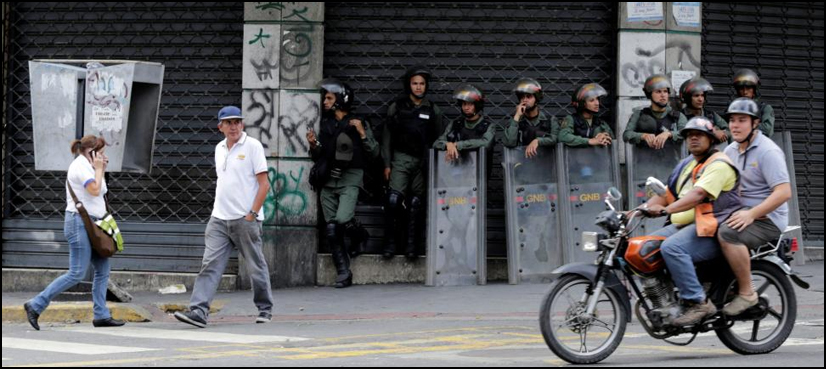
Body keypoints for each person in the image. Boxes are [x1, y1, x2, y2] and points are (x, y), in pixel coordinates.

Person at [174, 106, 274, 328]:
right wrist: (216, 213)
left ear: (242, 124)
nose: (234, 126)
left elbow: (264, 184)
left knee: (255, 265)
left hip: (245, 218)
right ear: (220, 127)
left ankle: (265, 308)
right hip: (219, 218)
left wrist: (252, 214)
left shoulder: (252, 146)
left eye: (237, 121)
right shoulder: (219, 148)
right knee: (209, 265)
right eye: (228, 123)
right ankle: (199, 311)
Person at [642, 116, 741, 326]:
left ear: (711, 139)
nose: (693, 139)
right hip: (686, 225)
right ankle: (667, 299)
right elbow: (666, 193)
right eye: (689, 135)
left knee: (672, 248)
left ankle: (698, 303)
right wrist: (640, 209)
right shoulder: (686, 164)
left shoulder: (719, 164)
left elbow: (697, 195)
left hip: (713, 228)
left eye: (699, 135)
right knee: (645, 248)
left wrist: (666, 210)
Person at [24, 135, 125, 330]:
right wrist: (98, 168)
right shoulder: (79, 166)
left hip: (95, 224)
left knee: (103, 270)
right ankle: (36, 305)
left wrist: (100, 168)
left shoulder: (91, 166)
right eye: (101, 152)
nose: (104, 156)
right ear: (91, 152)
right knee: (77, 272)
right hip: (78, 223)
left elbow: (99, 191)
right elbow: (94, 190)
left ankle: (101, 315)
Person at [717, 97, 792, 316]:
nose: (735, 125)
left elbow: (784, 192)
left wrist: (752, 214)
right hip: (741, 212)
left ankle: (748, 292)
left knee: (727, 234)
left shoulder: (768, 152)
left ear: (755, 123)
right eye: (732, 120)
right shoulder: (731, 150)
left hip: (768, 219)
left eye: (742, 120)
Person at [307, 78, 379, 288]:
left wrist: (363, 134)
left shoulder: (358, 122)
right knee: (331, 228)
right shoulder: (326, 124)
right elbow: (320, 156)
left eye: (329, 98)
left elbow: (374, 153)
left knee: (343, 220)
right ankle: (343, 272)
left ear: (341, 99)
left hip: (350, 178)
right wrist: (313, 145)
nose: (325, 102)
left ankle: (360, 235)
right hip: (329, 180)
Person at [381, 66, 443, 260]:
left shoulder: (432, 109)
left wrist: (435, 166)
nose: (418, 87)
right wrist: (387, 164)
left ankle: (412, 247)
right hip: (400, 159)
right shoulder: (397, 107)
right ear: (409, 85)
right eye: (415, 83)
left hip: (423, 161)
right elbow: (386, 138)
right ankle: (390, 245)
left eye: (422, 84)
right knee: (393, 200)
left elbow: (440, 139)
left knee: (417, 203)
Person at [433, 84, 495, 162]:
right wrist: (447, 145)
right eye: (464, 104)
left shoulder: (488, 126)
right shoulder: (454, 124)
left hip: (479, 172)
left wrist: (458, 145)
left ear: (477, 105)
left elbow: (486, 143)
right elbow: (437, 143)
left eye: (470, 104)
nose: (466, 108)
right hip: (454, 171)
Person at [623, 74, 687, 149]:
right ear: (650, 94)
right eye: (658, 92)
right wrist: (643, 136)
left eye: (665, 91)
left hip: (671, 159)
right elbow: (627, 135)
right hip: (644, 158)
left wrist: (669, 134)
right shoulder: (639, 114)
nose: (663, 95)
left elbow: (686, 133)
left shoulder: (678, 116)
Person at [502, 78, 557, 157]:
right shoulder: (515, 121)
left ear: (536, 99)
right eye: (522, 97)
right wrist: (517, 116)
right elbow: (509, 142)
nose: (525, 100)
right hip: (522, 164)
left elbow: (555, 138)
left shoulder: (550, 121)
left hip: (545, 165)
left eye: (529, 97)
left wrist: (538, 141)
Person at [558, 83, 614, 148]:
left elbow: (612, 141)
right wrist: (589, 141)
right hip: (575, 157)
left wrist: (604, 137)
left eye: (597, 99)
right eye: (591, 100)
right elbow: (563, 136)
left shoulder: (600, 123)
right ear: (582, 104)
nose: (597, 103)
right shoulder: (571, 119)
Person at [679, 77, 730, 144]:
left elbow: (728, 129)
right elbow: (681, 134)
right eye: (696, 96)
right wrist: (713, 132)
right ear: (688, 98)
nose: (700, 99)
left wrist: (723, 133)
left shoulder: (711, 114)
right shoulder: (680, 116)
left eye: (702, 95)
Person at [732, 68, 775, 137]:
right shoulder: (732, 109)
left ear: (754, 90)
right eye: (741, 88)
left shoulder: (764, 108)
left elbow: (768, 130)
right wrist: (753, 124)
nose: (745, 92)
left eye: (748, 88)